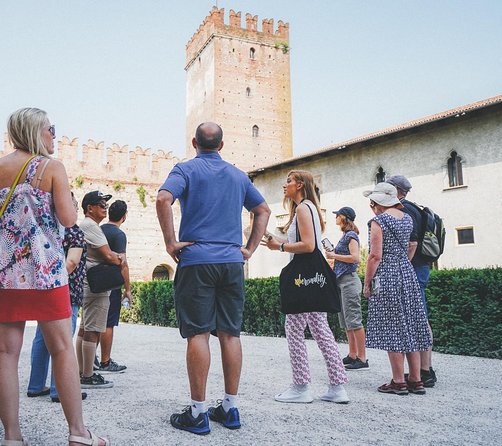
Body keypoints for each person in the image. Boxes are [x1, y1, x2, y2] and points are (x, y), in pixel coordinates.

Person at [0, 107, 108, 446]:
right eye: (51, 129)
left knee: (5, 352)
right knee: (62, 348)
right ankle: (78, 432)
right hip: (44, 272)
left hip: (3, 275)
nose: (54, 135)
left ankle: (12, 437)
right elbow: (67, 219)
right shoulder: (51, 168)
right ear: (35, 131)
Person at [157, 122, 270, 434]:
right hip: (232, 262)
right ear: (222, 145)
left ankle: (198, 413)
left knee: (199, 334)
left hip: (197, 261)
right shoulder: (238, 175)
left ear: (195, 142)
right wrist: (249, 249)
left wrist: (170, 242)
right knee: (231, 334)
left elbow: (163, 199)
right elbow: (262, 210)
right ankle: (230, 408)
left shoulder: (185, 169)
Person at [261, 170, 349, 404]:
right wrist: (277, 243)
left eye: (288, 181)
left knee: (293, 328)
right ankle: (338, 387)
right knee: (321, 329)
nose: (284, 184)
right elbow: (307, 243)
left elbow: (308, 246)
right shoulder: (310, 207)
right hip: (315, 278)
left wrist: (279, 248)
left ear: (299, 185)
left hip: (303, 279)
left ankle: (301, 387)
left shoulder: (302, 208)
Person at [362, 182, 432, 395]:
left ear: (376, 203)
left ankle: (398, 381)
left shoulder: (378, 221)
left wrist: (367, 283)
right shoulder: (408, 219)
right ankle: (416, 380)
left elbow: (375, 256)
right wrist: (403, 262)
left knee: (393, 328)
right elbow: (412, 245)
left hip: (388, 275)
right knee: (411, 325)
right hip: (407, 272)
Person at [28, 192, 88, 402]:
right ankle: (59, 389)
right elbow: (71, 263)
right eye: (73, 205)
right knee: (63, 341)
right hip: (66, 292)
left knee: (41, 338)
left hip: (43, 290)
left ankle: (35, 385)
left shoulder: (44, 229)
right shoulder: (75, 232)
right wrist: (57, 283)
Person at [386, 174, 437, 387]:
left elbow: (411, 242)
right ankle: (424, 370)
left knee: (418, 318)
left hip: (412, 268)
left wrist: (401, 267)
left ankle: (424, 372)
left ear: (396, 190)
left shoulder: (404, 210)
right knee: (419, 316)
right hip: (421, 267)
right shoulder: (416, 208)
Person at [76, 190, 124, 390]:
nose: (105, 208)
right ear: (90, 208)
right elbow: (110, 256)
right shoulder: (91, 227)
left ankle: (82, 371)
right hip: (96, 286)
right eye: (101, 205)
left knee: (84, 329)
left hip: (88, 283)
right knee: (93, 331)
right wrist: (119, 258)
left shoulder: (86, 226)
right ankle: (87, 376)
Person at [324, 206, 368, 370]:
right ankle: (352, 354)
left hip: (349, 281)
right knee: (346, 321)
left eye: (338, 215)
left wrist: (334, 255)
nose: (335, 217)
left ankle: (362, 359)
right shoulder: (345, 235)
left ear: (344, 217)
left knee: (354, 320)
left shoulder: (351, 235)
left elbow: (355, 258)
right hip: (342, 281)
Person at [98, 200, 131, 373]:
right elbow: (123, 264)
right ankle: (105, 361)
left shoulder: (99, 230)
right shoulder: (119, 235)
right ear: (124, 216)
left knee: (94, 322)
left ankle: (91, 359)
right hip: (111, 283)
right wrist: (128, 289)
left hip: (95, 281)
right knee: (109, 323)